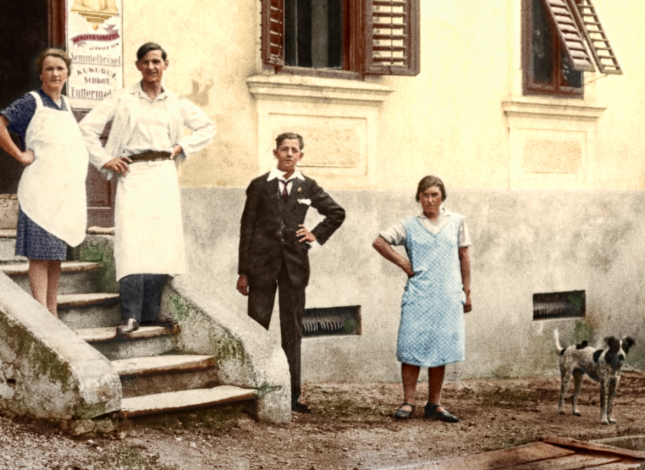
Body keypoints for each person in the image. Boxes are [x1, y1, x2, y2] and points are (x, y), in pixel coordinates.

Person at [79, 42, 215, 336]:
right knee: (133, 241)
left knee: (161, 241)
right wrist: (105, 159)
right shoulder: (123, 99)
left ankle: (151, 313)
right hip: (134, 173)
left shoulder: (175, 102)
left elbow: (208, 128)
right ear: (138, 66)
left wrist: (182, 147)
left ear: (165, 64)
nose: (151, 67)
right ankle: (130, 315)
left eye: (157, 61)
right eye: (146, 62)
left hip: (163, 173)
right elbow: (86, 128)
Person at [236, 133, 346, 414]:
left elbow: (336, 213)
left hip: (294, 267)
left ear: (300, 155)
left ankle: (292, 395)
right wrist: (243, 271)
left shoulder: (307, 186)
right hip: (261, 266)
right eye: (284, 149)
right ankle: (254, 392)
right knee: (257, 325)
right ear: (275, 153)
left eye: (294, 150)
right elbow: (247, 228)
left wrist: (314, 234)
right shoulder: (259, 185)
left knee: (292, 329)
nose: (289, 154)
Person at [0, 48, 88, 316]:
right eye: (49, 69)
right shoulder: (31, 101)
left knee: (55, 255)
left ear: (67, 74)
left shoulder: (66, 104)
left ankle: (52, 310)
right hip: (39, 191)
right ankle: (42, 313)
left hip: (62, 192)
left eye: (60, 69)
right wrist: (20, 155)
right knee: (40, 254)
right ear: (41, 74)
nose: (55, 73)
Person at [372, 175, 471, 423]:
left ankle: (434, 403)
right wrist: (404, 263)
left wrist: (466, 292)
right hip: (419, 294)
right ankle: (408, 402)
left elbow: (464, 257)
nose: (430, 200)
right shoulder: (409, 225)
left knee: (440, 347)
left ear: (442, 197)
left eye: (434, 195)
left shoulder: (457, 222)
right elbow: (379, 242)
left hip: (447, 294)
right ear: (418, 198)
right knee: (411, 345)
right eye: (425, 195)